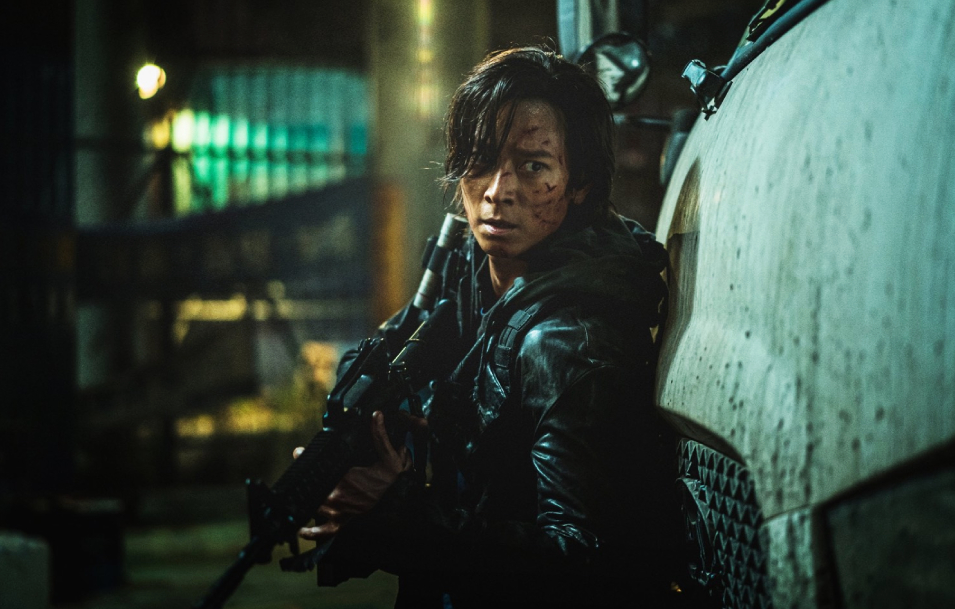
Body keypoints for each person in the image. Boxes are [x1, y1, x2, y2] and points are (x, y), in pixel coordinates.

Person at [293, 45, 690, 608]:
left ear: (579, 183)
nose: (497, 191)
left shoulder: (569, 342)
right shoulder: (472, 280)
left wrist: (397, 516)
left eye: (533, 166)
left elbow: (584, 561)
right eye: (480, 160)